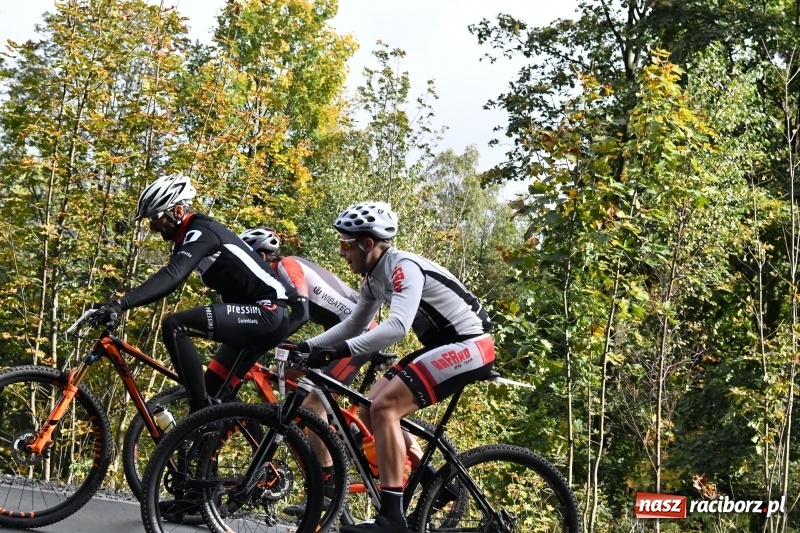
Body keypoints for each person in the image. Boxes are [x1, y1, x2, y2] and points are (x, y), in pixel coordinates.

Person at [293, 201, 496, 533]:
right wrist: (309, 347)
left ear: (368, 244)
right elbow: (353, 325)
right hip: (448, 345)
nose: (342, 253)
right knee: (370, 409)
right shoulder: (374, 279)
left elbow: (398, 326)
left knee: (386, 408)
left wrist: (336, 353)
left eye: (346, 244)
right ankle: (432, 480)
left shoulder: (402, 267)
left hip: (471, 344)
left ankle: (392, 518)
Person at [91, 175, 292, 413]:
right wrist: (115, 304)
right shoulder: (186, 238)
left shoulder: (202, 231)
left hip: (268, 310)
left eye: (155, 218)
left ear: (177, 211)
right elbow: (164, 280)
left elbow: (172, 276)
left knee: (175, 326)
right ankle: (204, 436)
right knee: (211, 389)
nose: (153, 227)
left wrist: (120, 304)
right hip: (258, 314)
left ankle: (200, 412)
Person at [239, 226, 377, 515]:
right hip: (343, 334)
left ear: (263, 256)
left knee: (312, 403)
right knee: (295, 385)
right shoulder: (275, 279)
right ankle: (343, 433)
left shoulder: (287, 267)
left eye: (250, 261)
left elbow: (299, 314)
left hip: (360, 335)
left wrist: (265, 341)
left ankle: (327, 493)